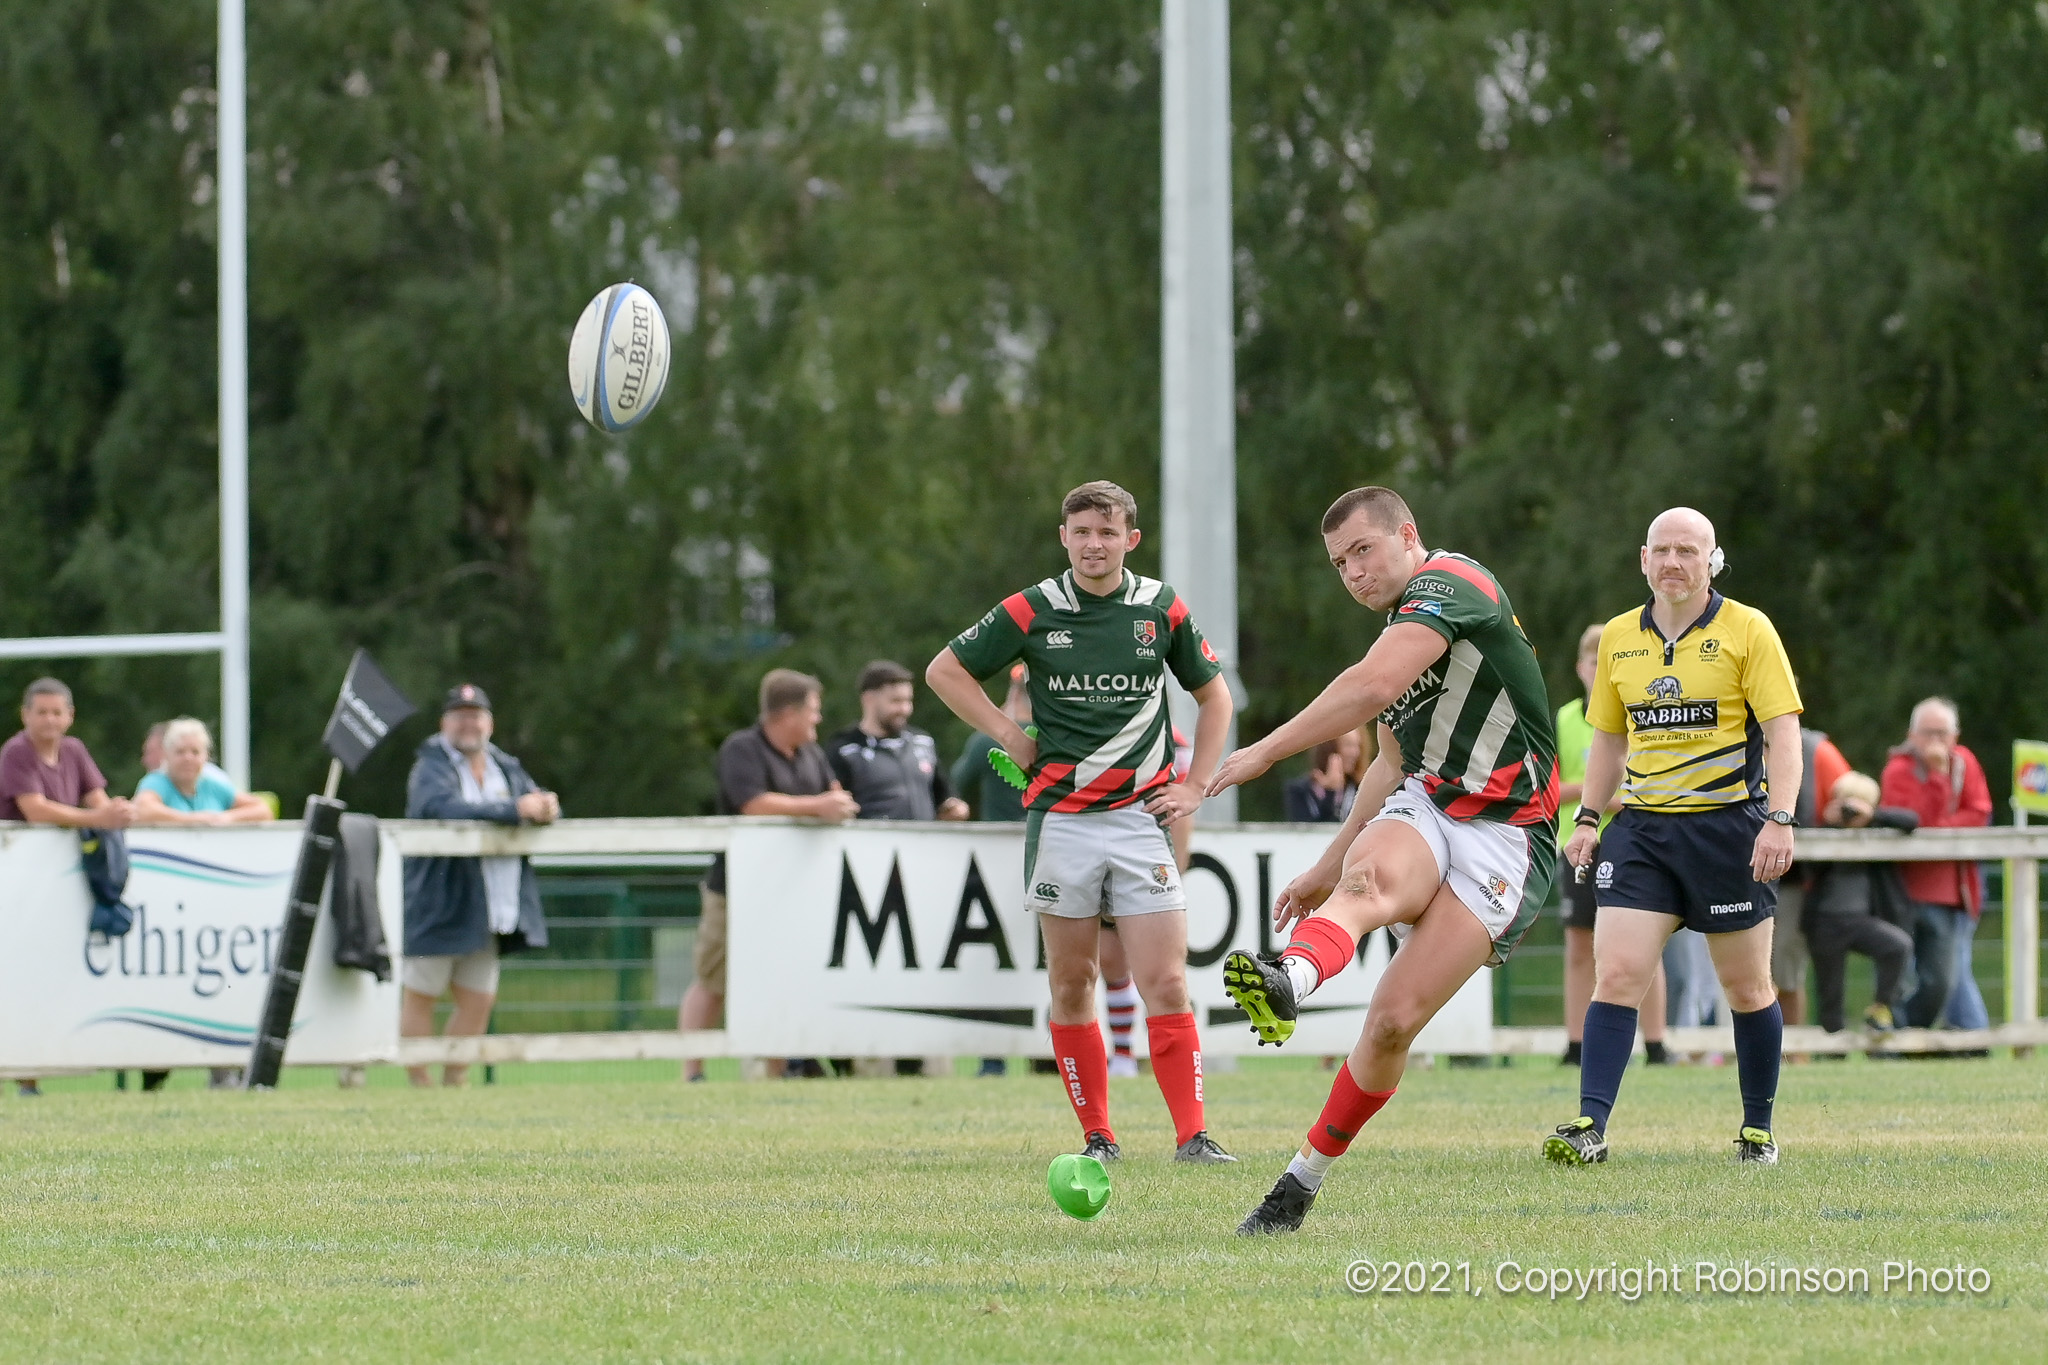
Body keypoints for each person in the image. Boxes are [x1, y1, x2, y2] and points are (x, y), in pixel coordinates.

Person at [1204, 486, 1559, 1234]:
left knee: (1393, 1022)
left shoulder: (1454, 583)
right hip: (1430, 803)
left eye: (1363, 550)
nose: (1354, 573)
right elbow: (1388, 767)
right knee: (1367, 881)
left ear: (1409, 535)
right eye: (1340, 563)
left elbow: (1371, 686)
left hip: (1510, 833)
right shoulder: (1402, 631)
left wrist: (1264, 751)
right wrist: (1331, 862)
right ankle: (1288, 976)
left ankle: (1300, 1182)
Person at [926, 479, 1237, 1165]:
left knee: (1167, 980)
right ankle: (1099, 1136)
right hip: (1061, 821)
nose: (1094, 544)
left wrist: (1195, 785)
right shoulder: (1033, 608)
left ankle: (1193, 1134)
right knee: (1072, 982)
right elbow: (944, 671)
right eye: (1081, 532)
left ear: (1131, 538)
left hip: (1138, 819)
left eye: (1107, 531)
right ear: (1063, 537)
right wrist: (1009, 733)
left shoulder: (1159, 608)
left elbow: (1216, 699)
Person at [1547, 508, 1802, 1168]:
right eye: (1661, 550)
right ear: (1642, 559)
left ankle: (1756, 1129)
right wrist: (1586, 818)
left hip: (1728, 829)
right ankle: (1588, 1124)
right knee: (1620, 970)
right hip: (1643, 831)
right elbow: (1607, 738)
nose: (1672, 562)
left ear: (1711, 560)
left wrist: (1780, 817)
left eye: (1687, 550)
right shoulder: (1621, 639)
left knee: (1747, 988)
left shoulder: (1748, 629)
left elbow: (1783, 733)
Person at [681, 669, 858, 1081]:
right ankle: (693, 1073)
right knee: (712, 978)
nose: (818, 720)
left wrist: (836, 804)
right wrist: (818, 805)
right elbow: (752, 803)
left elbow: (831, 794)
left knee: (784, 978)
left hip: (792, 891)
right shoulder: (742, 749)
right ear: (788, 713)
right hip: (735, 889)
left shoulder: (811, 754)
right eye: (813, 711)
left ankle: (777, 1071)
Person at [400, 684, 560, 1087]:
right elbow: (439, 807)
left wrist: (546, 807)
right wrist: (513, 810)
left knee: (478, 1000)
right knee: (422, 994)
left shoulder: (504, 765)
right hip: (438, 901)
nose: (468, 723)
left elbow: (532, 800)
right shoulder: (430, 766)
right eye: (460, 715)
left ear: (489, 723)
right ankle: (420, 1085)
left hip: (491, 904)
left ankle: (455, 1080)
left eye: (475, 715)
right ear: (444, 723)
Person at [1, 677, 133, 1096]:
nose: (49, 720)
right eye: (41, 712)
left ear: (70, 716)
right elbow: (35, 810)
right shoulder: (16, 753)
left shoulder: (73, 751)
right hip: (17, 884)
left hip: (55, 888)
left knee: (44, 974)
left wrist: (114, 812)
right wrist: (99, 819)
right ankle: (24, 1073)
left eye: (57, 712)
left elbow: (97, 798)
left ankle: (32, 1069)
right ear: (25, 715)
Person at [1555, 623, 1668, 1067]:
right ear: (1581, 668)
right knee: (1579, 945)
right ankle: (1575, 1043)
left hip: (1632, 841)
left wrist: (1599, 796)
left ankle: (1657, 1044)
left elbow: (1648, 783)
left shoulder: (1641, 711)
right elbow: (1547, 788)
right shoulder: (1565, 718)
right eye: (1592, 663)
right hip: (1579, 842)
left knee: (1644, 943)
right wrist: (1594, 793)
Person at [1881, 698, 1993, 1031]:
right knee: (1895, 975)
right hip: (1902, 891)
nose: (1935, 741)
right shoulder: (1897, 770)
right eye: (1927, 733)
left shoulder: (1966, 764)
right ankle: (1897, 1040)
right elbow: (1913, 820)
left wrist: (1940, 822)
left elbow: (1979, 815)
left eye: (1942, 733)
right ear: (1911, 735)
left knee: (1942, 981)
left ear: (1955, 736)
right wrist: (1938, 779)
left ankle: (1909, 1034)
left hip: (1950, 894)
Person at [1803, 772, 1917, 1034]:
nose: (1849, 812)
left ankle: (1880, 1008)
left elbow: (1911, 821)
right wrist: (1830, 826)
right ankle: (1833, 1055)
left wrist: (1872, 817)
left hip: (1861, 920)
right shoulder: (1824, 832)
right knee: (1830, 996)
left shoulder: (1877, 831)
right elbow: (1809, 869)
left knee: (1898, 946)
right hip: (1825, 921)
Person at [1774, 726, 1853, 1035]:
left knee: (1786, 975)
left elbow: (1855, 800)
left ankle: (1792, 1054)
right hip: (1735, 879)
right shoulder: (1728, 741)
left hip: (1796, 882)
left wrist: (1840, 814)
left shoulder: (1817, 751)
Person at [826, 660, 969, 823]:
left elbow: (943, 795)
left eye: (908, 701)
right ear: (869, 699)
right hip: (870, 844)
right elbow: (834, 802)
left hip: (924, 843)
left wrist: (955, 806)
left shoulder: (922, 742)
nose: (905, 709)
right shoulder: (845, 748)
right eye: (896, 701)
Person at [133, 718, 272, 824]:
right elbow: (142, 810)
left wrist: (226, 817)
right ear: (167, 755)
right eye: (180, 752)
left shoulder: (212, 784)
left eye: (195, 752)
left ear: (206, 756)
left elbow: (262, 810)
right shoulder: (156, 782)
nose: (188, 758)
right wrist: (189, 820)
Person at [1283, 733, 1360, 822]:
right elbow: (1311, 831)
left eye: (1358, 746)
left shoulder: (1359, 789)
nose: (1355, 753)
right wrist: (1331, 792)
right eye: (1348, 745)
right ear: (1329, 748)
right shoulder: (1299, 790)